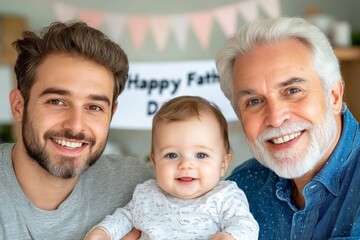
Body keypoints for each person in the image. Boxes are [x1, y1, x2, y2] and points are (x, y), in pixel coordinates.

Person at [0, 21, 153, 239]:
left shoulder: (141, 187)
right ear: (19, 106)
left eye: (94, 107)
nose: (75, 125)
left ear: (111, 114)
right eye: (57, 101)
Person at [215, 16, 360, 239]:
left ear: (334, 96)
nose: (275, 118)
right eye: (253, 101)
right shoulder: (241, 187)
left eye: (292, 91)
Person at [84, 95, 259, 240]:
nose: (185, 165)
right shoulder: (147, 194)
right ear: (154, 162)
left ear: (223, 164)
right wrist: (103, 232)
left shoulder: (225, 197)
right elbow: (125, 217)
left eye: (200, 155)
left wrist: (229, 236)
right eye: (172, 155)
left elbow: (245, 224)